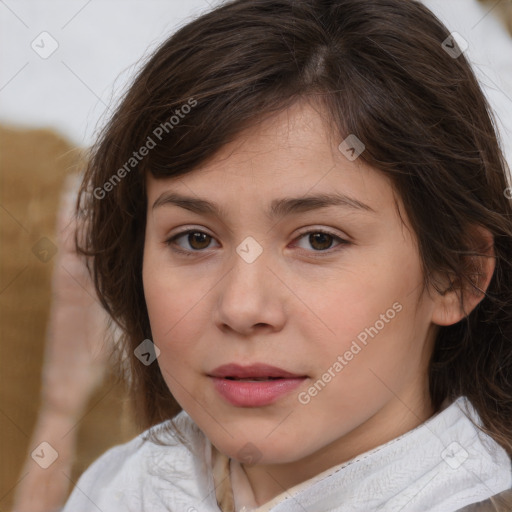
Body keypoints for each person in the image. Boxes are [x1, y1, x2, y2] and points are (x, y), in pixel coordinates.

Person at [61, 0, 512, 510]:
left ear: (457, 274)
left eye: (319, 239)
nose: (242, 307)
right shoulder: (121, 486)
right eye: (195, 238)